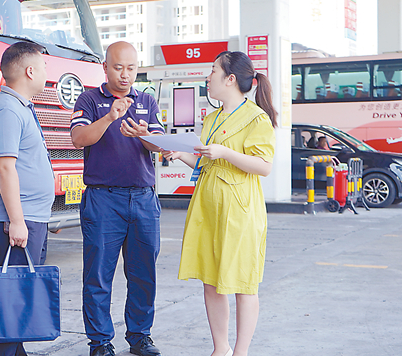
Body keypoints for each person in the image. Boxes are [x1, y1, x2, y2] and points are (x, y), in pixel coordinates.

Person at [163, 51, 277, 356]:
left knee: (243, 282)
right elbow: (206, 164)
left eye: (213, 70)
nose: (208, 76)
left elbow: (264, 166)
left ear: (230, 79)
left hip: (239, 211)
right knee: (211, 281)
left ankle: (240, 351)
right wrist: (181, 154)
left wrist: (224, 152)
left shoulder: (256, 118)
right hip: (208, 207)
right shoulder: (211, 119)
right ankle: (220, 348)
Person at [70, 41, 165, 356]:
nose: (125, 75)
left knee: (143, 274)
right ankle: (99, 342)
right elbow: (78, 138)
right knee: (98, 275)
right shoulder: (89, 99)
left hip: (143, 199)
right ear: (105, 67)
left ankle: (140, 336)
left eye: (131, 68)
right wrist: (110, 117)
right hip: (103, 200)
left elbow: (161, 145)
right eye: (118, 67)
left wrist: (144, 134)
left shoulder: (147, 100)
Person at [0, 41, 54, 356]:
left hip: (31, 215)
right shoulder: (7, 111)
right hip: (18, 218)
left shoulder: (19, 107)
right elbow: (5, 168)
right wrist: (17, 221)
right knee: (13, 300)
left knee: (20, 296)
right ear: (30, 71)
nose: (47, 72)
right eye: (44, 67)